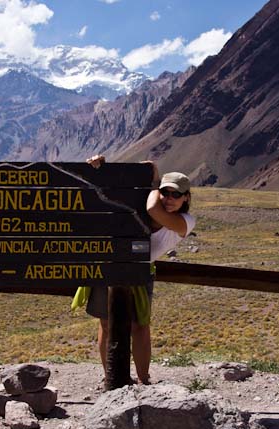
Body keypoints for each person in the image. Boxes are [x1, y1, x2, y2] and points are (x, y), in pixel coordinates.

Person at [82, 155, 196, 385]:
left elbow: (153, 208)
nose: (169, 199)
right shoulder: (143, 202)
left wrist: (154, 180)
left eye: (176, 194)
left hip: (139, 272)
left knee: (140, 327)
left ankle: (144, 380)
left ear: (186, 198)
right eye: (166, 192)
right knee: (106, 322)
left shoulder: (185, 221)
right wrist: (99, 166)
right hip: (110, 264)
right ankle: (110, 378)